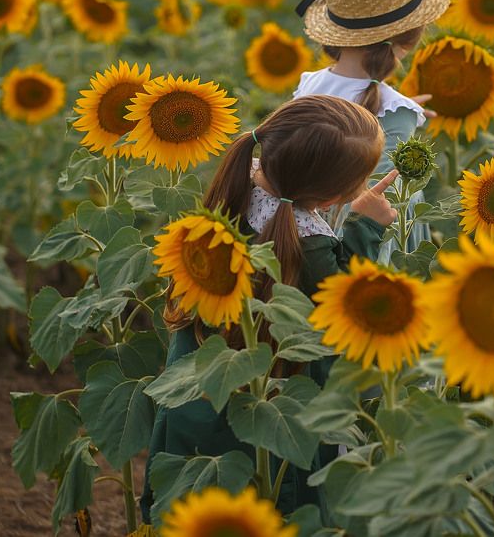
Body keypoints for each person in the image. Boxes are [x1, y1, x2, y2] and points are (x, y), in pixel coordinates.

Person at [140, 94, 399, 523]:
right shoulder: (310, 244)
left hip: (200, 389)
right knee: (271, 501)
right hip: (274, 399)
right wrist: (365, 227)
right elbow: (344, 305)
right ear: (332, 194)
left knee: (194, 498)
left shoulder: (233, 194)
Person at [293, 0, 452, 252]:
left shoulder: (308, 84)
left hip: (305, 241)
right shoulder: (393, 113)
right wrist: (399, 115)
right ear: (413, 35)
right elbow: (381, 205)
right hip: (362, 249)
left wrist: (401, 108)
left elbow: (343, 117)